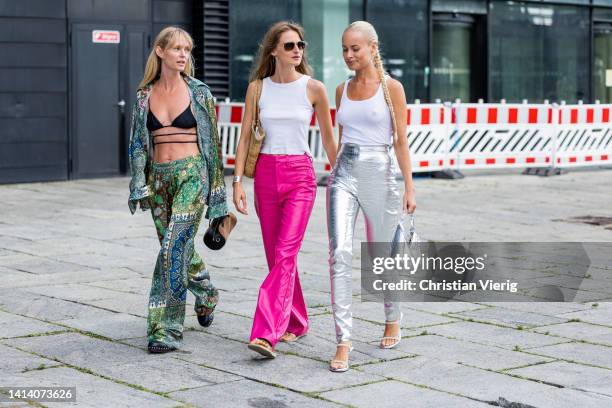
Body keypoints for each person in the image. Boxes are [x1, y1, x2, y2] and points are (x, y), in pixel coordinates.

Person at [232, 21, 337, 358]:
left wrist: (346, 177)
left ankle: (266, 333)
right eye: (290, 45)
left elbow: (328, 139)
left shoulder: (314, 89)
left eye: (300, 45)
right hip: (265, 175)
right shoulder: (257, 89)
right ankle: (297, 320)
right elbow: (245, 137)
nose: (297, 51)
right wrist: (237, 183)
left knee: (285, 253)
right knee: (275, 256)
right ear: (274, 50)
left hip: (300, 176)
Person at [127, 27, 228, 354]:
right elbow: (138, 145)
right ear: (160, 51)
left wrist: (218, 200)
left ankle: (164, 330)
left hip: (192, 175)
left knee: (173, 246)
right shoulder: (144, 95)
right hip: (159, 180)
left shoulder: (200, 93)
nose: (183, 55)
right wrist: (139, 182)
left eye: (187, 49)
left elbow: (213, 146)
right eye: (177, 49)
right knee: (177, 249)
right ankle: (207, 291)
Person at [327, 21, 417, 372]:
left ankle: (393, 317)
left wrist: (409, 186)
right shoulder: (341, 90)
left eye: (355, 49)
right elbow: (342, 133)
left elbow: (400, 141)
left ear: (372, 48)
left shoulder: (391, 88)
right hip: (345, 172)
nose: (349, 55)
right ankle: (343, 341)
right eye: (345, 49)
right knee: (339, 254)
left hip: (380, 172)